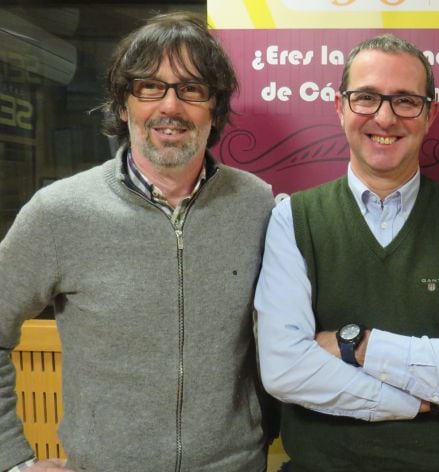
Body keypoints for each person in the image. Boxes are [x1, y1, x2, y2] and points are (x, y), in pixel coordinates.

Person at [0, 12, 275, 472]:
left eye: (192, 89)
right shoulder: (59, 212)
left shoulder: (256, 204)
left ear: (215, 109)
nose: (171, 106)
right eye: (149, 87)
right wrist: (12, 460)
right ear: (123, 106)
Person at [254, 33, 439, 472]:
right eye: (366, 98)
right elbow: (285, 368)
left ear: (430, 114)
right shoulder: (293, 220)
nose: (385, 116)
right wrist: (418, 399)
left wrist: (354, 344)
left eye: (405, 101)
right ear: (340, 108)